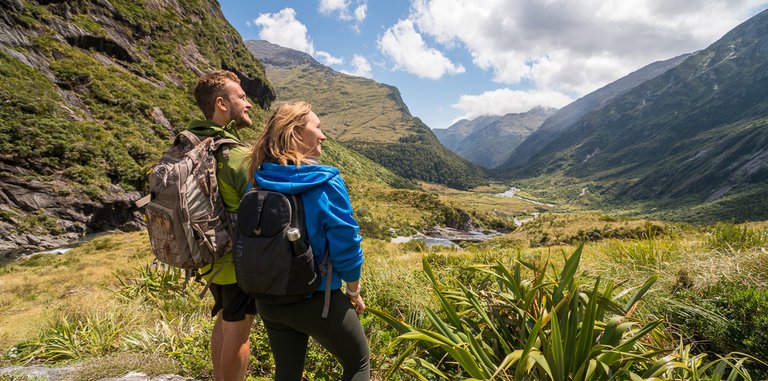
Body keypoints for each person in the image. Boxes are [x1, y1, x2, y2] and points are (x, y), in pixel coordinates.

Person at [245, 101, 370, 381]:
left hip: (269, 299)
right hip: (316, 299)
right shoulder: (325, 181)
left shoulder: (257, 177)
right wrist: (353, 291)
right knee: (358, 364)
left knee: (287, 373)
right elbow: (347, 245)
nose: (323, 135)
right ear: (297, 134)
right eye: (318, 127)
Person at [188, 70, 256, 381]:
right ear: (221, 103)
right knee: (240, 329)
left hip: (206, 253)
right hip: (234, 259)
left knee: (226, 317)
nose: (248, 103)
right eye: (241, 97)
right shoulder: (235, 154)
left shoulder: (192, 142)